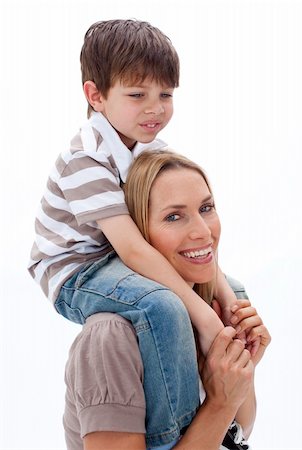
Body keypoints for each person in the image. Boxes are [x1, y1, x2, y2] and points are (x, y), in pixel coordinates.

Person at [28, 19, 251, 448]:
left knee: (229, 289)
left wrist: (223, 297)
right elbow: (132, 247)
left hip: (113, 259)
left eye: (165, 95)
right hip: (75, 271)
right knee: (162, 307)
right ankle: (174, 436)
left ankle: (220, 422)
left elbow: (193, 244)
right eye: (137, 95)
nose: (156, 109)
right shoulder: (85, 159)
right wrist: (204, 321)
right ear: (95, 96)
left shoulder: (152, 151)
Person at [63, 150, 271, 449]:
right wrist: (221, 402)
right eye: (173, 217)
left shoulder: (220, 304)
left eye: (207, 208)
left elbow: (238, 436)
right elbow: (223, 414)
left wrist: (242, 372)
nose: (203, 231)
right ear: (137, 236)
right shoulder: (111, 336)